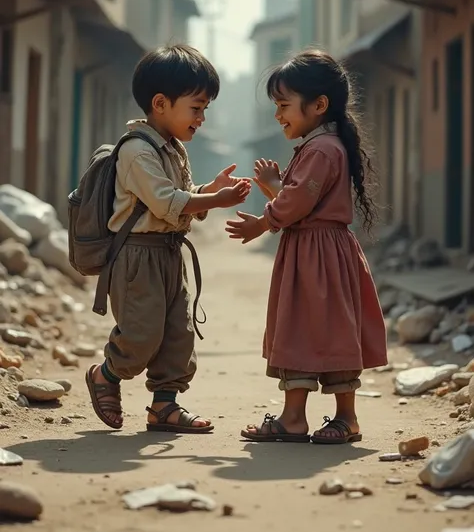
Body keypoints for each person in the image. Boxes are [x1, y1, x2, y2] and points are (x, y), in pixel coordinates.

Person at [86, 44, 251, 433]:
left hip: (169, 253)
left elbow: (182, 192)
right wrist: (216, 198)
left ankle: (165, 405)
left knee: (178, 333)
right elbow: (165, 202)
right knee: (142, 335)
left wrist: (210, 188)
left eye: (205, 109)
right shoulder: (137, 151)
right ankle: (106, 374)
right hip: (137, 256)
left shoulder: (173, 149)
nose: (202, 118)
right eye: (196, 108)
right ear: (160, 103)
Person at [226, 49, 387, 444]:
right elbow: (301, 199)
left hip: (318, 256)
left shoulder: (320, 150)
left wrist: (263, 219)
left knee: (318, 329)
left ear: (318, 105)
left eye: (283, 106)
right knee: (312, 328)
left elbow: (297, 204)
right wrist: (276, 191)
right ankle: (299, 418)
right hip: (315, 252)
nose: (278, 115)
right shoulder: (322, 146)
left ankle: (338, 418)